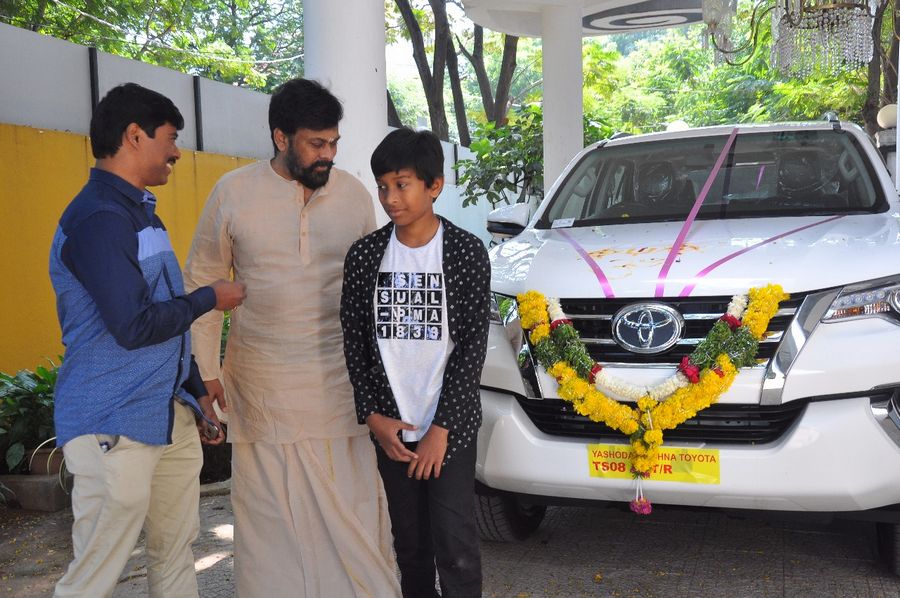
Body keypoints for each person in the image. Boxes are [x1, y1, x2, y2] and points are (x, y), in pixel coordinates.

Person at [182, 78, 399, 597]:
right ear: (281, 137)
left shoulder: (350, 194)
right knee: (271, 524)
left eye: (334, 144)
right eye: (316, 144)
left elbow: (375, 288)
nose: (328, 155)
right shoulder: (232, 193)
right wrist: (205, 373)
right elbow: (203, 284)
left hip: (340, 386)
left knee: (351, 512)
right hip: (263, 387)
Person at [49, 83, 246, 598]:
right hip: (112, 422)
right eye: (170, 137)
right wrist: (210, 299)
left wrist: (196, 392)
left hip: (168, 417)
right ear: (135, 136)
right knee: (95, 573)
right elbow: (135, 325)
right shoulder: (97, 219)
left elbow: (165, 317)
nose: (177, 150)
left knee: (176, 554)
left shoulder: (144, 214)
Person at [340, 128, 491, 598]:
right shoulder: (366, 256)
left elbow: (472, 348)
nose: (389, 197)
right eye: (383, 186)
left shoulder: (465, 252)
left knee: (456, 548)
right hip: (393, 431)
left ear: (434, 186)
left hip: (449, 430)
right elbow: (355, 343)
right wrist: (373, 416)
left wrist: (441, 428)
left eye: (402, 184)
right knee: (411, 549)